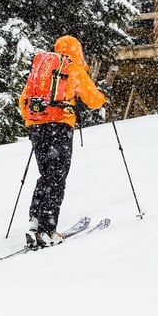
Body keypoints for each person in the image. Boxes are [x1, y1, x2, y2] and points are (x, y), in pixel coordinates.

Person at [18, 35, 106, 247]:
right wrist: (103, 97)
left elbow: (23, 102)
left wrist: (37, 120)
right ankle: (48, 230)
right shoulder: (72, 68)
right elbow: (93, 100)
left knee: (45, 175)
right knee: (57, 178)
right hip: (60, 127)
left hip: (37, 128)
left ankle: (35, 221)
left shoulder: (41, 71)